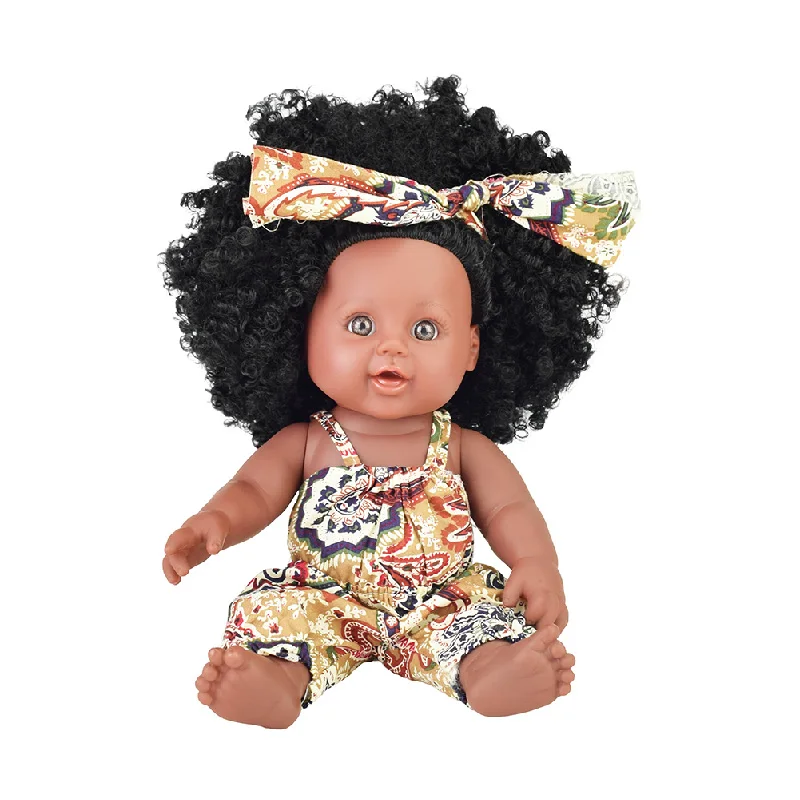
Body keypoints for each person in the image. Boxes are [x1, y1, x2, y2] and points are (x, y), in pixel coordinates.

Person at [159, 75, 639, 728]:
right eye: (360, 325)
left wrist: (535, 563)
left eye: (426, 330)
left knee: (481, 620)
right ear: (302, 331)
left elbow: (508, 508)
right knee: (278, 617)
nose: (392, 348)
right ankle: (274, 679)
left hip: (441, 598)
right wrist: (214, 524)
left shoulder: (461, 446)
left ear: (473, 348)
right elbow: (254, 491)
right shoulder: (307, 440)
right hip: (324, 597)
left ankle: (491, 671)